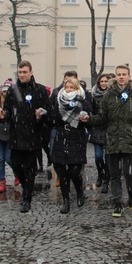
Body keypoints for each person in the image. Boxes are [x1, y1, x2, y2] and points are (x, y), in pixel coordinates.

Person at [82, 64, 132, 218]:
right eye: (118, 74)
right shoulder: (109, 95)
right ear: (115, 76)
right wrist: (89, 119)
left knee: (128, 174)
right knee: (114, 175)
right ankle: (117, 203)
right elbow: (102, 117)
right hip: (113, 139)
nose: (121, 77)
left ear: (128, 76)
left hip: (130, 139)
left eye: (124, 74)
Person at [0, 61, 52, 213]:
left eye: (24, 72)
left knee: (30, 168)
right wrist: (4, 114)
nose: (22, 75)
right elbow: (7, 110)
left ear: (31, 72)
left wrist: (41, 114)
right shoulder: (13, 91)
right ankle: (26, 186)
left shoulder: (39, 90)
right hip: (16, 134)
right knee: (16, 165)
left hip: (33, 134)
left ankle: (26, 197)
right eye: (20, 72)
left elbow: (48, 110)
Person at [52, 77, 92, 213]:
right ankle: (66, 200)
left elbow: (89, 116)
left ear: (76, 88)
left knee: (75, 170)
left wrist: (84, 117)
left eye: (71, 87)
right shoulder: (58, 100)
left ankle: (79, 191)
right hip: (62, 135)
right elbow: (54, 118)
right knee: (61, 170)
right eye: (67, 87)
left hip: (77, 135)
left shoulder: (83, 100)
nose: (68, 90)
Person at [0, 79, 17, 193]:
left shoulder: (13, 103)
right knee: (0, 159)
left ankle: (17, 173)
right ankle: (2, 181)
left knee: (8, 157)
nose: (5, 94)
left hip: (10, 133)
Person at [89, 74, 111, 193]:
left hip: (108, 128)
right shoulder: (94, 96)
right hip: (97, 128)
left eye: (106, 81)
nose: (103, 83)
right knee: (98, 157)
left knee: (108, 158)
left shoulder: (112, 95)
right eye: (101, 81)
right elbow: (91, 111)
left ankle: (106, 181)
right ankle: (100, 173)